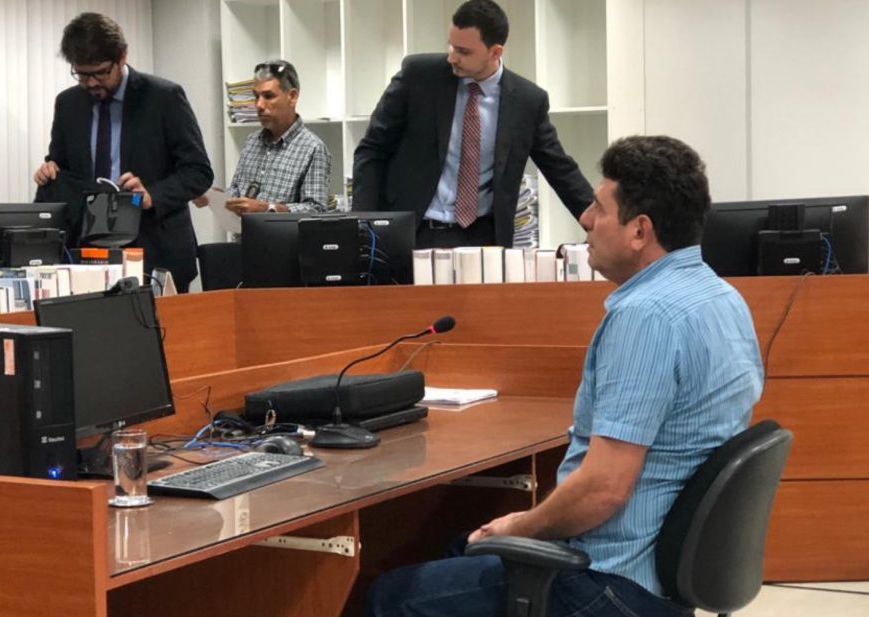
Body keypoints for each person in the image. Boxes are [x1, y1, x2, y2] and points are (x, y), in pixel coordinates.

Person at [364, 135, 764, 617]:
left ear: (640, 231)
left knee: (391, 596)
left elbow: (603, 489)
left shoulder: (646, 317)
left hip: (613, 583)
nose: (586, 219)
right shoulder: (722, 298)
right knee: (460, 548)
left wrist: (520, 525)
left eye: (599, 208)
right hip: (669, 575)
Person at [352, 0, 592, 249]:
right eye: (451, 46)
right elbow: (372, 149)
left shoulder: (527, 101)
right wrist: (361, 225)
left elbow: (559, 168)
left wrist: (599, 223)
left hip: (484, 239)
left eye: (464, 52)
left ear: (495, 52)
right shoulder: (418, 76)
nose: (452, 57)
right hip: (415, 232)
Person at [33, 13, 213, 291]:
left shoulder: (164, 97)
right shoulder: (68, 104)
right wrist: (50, 168)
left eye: (101, 72)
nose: (91, 83)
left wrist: (152, 195)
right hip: (88, 253)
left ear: (122, 56)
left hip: (155, 248)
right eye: (82, 74)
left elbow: (198, 172)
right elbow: (61, 162)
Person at [224, 60, 330, 216]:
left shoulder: (313, 148)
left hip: (283, 233)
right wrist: (217, 198)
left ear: (292, 97)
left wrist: (268, 209)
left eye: (268, 96)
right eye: (256, 96)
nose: (259, 105)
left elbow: (316, 209)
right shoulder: (252, 141)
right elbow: (236, 190)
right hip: (243, 231)